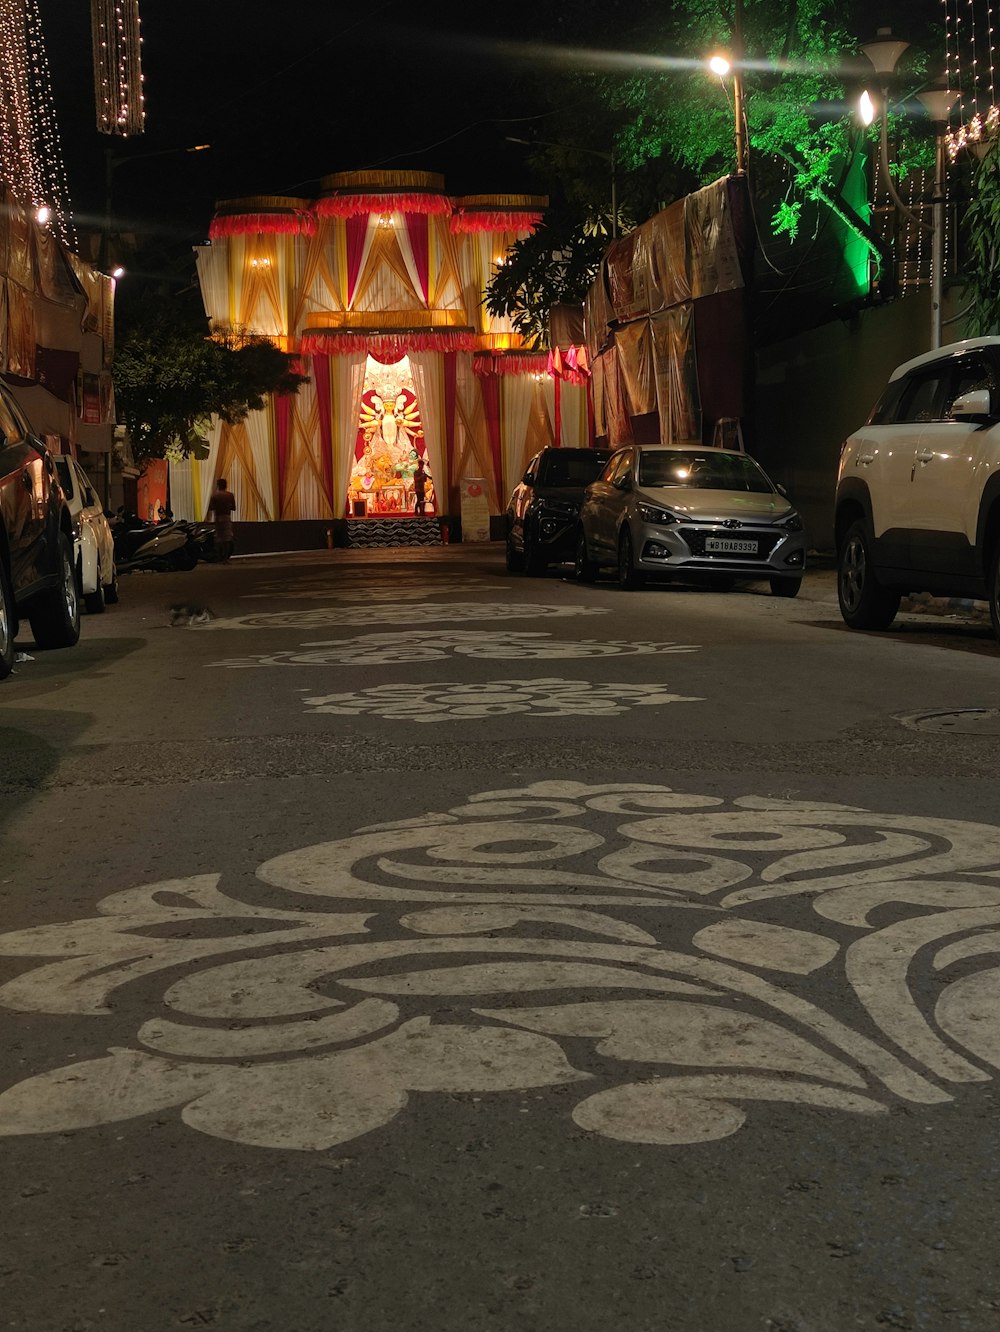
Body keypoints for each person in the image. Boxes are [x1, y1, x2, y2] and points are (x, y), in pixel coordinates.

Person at [206, 477, 237, 562]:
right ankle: (226, 558)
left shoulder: (215, 495)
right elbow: (234, 508)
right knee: (227, 538)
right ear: (226, 485)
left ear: (218, 485)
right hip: (226, 517)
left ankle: (220, 556)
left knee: (219, 538)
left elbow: (211, 508)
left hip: (218, 517)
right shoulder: (230, 495)